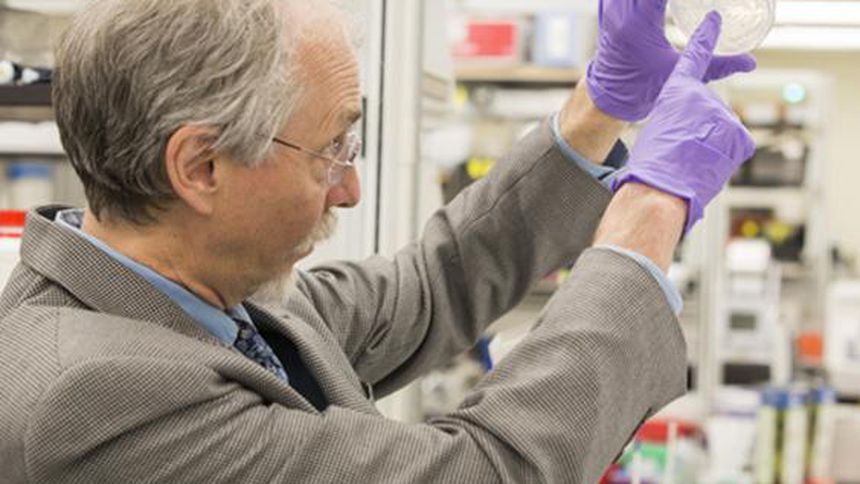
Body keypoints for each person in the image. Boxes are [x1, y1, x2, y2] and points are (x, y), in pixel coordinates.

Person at [0, 0, 755, 482]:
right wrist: (648, 214)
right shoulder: (97, 397)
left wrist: (601, 105)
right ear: (201, 167)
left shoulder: (202, 297)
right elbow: (485, 471)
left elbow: (438, 283)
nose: (349, 188)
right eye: (331, 148)